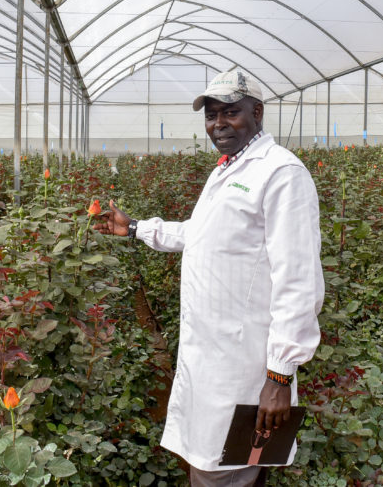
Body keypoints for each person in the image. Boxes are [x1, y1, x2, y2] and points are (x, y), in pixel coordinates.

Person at [95, 70, 325, 487]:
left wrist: (279, 376)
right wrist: (134, 229)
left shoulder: (281, 174)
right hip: (210, 357)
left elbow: (299, 282)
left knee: (222, 471)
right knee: (219, 465)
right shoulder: (228, 169)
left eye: (230, 112)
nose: (218, 124)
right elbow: (200, 234)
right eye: (212, 115)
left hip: (245, 369)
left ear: (257, 112)